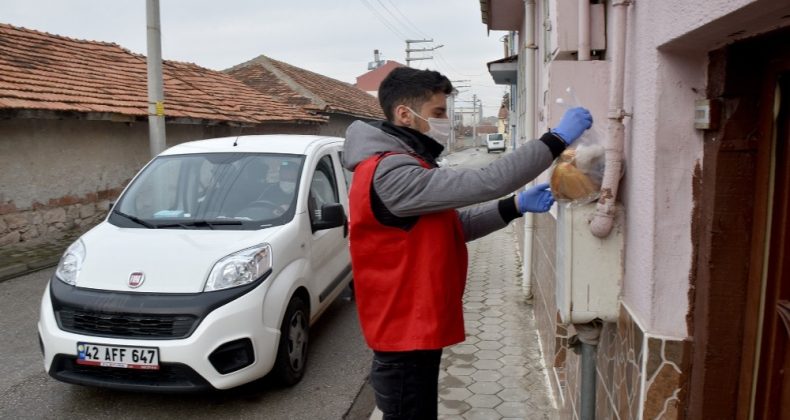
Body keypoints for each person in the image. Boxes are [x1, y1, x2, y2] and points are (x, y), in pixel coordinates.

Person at [341, 67, 592, 419]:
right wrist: (556, 139)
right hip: (402, 342)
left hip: (414, 334)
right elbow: (488, 180)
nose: (446, 121)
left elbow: (452, 227)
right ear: (404, 115)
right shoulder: (390, 172)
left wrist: (514, 206)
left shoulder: (408, 164)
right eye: (438, 113)